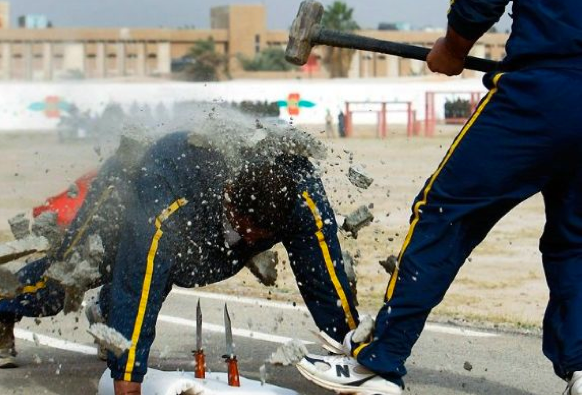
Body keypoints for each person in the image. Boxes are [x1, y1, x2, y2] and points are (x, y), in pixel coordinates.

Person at [297, 1, 582, 395]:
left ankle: (381, 360)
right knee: (575, 243)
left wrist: (453, 48)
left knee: (444, 216)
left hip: (541, 94)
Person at [0, 131, 360, 395]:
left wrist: (355, 358)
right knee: (69, 279)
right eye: (243, 230)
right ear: (230, 195)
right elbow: (138, 284)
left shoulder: (300, 197)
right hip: (127, 192)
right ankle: (5, 302)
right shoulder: (168, 200)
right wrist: (128, 377)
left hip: (200, 220)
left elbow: (324, 280)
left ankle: (108, 316)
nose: (249, 242)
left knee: (188, 266)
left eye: (259, 238)